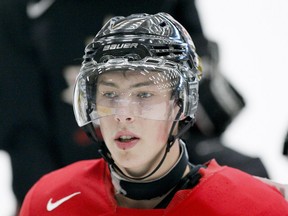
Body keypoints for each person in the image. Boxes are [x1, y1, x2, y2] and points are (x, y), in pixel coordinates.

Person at [0, 0, 268, 211]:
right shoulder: (21, 9)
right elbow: (22, 121)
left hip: (167, 146)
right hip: (71, 159)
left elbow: (196, 72)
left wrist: (234, 192)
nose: (125, 114)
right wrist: (37, 197)